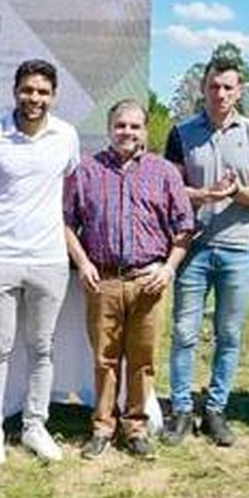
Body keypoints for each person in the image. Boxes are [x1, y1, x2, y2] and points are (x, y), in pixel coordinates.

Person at [64, 99, 194, 460]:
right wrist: (83, 262)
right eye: (121, 125)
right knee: (105, 359)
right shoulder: (86, 171)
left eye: (135, 126)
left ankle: (135, 427)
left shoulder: (164, 172)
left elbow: (185, 228)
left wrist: (168, 268)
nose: (127, 132)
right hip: (103, 280)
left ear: (145, 130)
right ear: (110, 128)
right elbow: (66, 222)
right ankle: (102, 427)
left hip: (148, 281)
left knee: (143, 358)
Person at [0, 58, 81, 465]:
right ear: (15, 90)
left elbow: (66, 187)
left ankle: (35, 425)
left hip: (49, 259)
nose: (34, 98)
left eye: (43, 92)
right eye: (28, 90)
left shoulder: (66, 136)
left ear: (53, 95)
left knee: (41, 348)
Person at [161, 50, 249, 447]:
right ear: (204, 88)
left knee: (228, 333)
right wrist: (203, 194)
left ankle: (215, 409)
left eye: (228, 87)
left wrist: (238, 192)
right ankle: (180, 409)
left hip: (239, 249)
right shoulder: (181, 133)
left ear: (239, 90)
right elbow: (171, 190)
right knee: (184, 332)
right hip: (192, 248)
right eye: (213, 86)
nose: (220, 93)